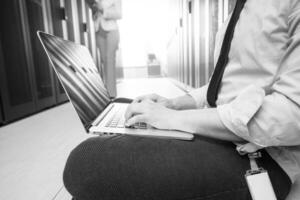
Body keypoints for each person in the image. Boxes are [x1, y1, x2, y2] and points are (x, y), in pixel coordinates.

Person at [63, 0, 300, 199]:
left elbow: (292, 113)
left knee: (86, 163)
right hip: (225, 132)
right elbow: (225, 86)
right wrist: (172, 105)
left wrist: (174, 119)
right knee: (128, 105)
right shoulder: (240, 6)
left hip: (265, 155)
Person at [86, 0, 122, 97]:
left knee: (109, 60)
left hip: (112, 30)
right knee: (104, 61)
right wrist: (94, 9)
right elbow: (95, 16)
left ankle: (111, 96)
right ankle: (107, 92)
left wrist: (103, 10)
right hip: (99, 30)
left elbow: (119, 14)